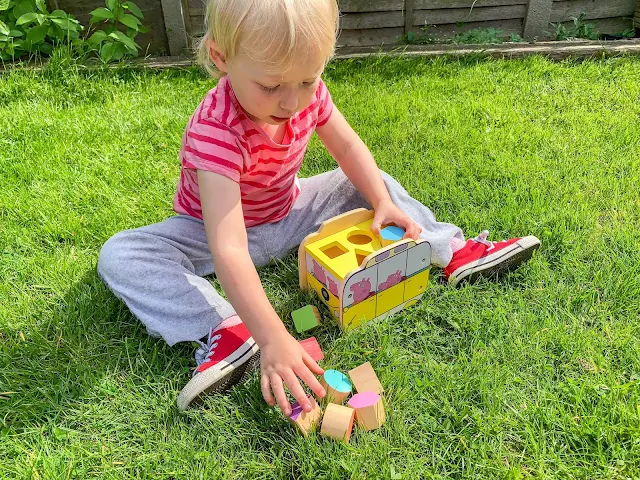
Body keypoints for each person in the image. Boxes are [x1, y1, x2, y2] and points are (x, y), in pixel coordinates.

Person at [97, 0, 540, 415]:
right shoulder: (216, 130)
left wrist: (381, 202)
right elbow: (228, 246)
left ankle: (451, 251)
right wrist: (273, 338)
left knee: (370, 182)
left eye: (308, 80)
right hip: (212, 233)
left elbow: (347, 147)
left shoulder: (307, 96)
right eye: (271, 86)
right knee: (123, 254)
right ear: (221, 58)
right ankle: (228, 330)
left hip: (291, 211)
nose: (292, 103)